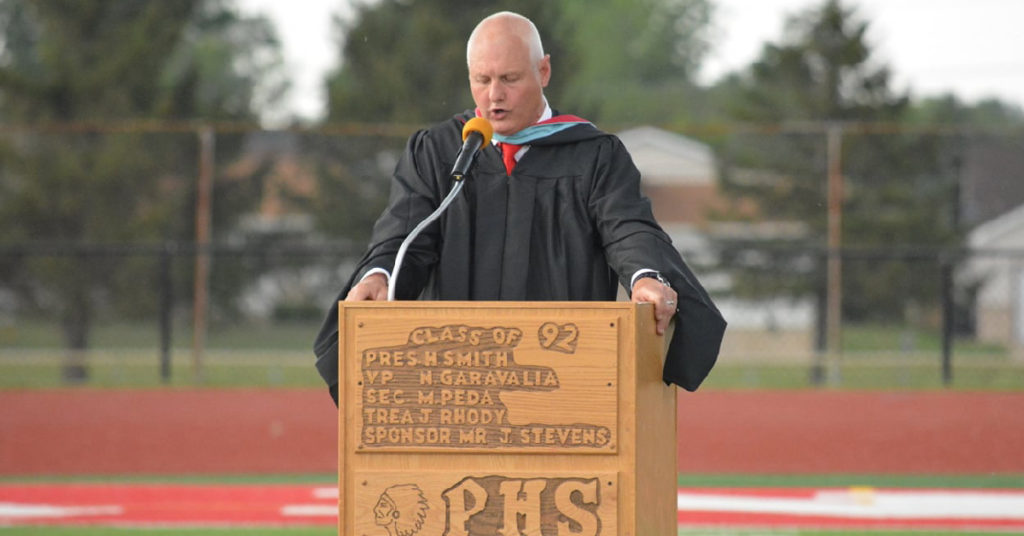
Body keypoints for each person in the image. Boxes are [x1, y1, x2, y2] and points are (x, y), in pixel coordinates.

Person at [314, 11, 725, 405]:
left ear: (543, 71)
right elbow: (404, 234)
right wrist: (381, 274)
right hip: (456, 380)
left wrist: (644, 275)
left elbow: (628, 230)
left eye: (509, 79)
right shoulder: (437, 152)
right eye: (482, 79)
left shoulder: (594, 156)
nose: (494, 95)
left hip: (563, 374)